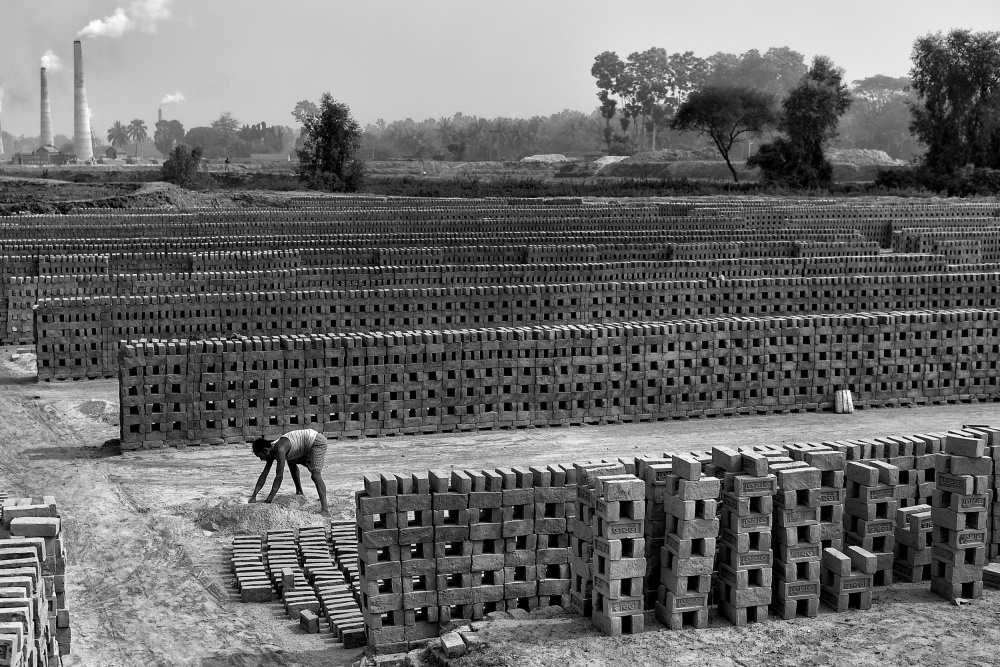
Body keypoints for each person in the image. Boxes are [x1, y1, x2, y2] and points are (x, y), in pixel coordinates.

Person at [250, 428, 329, 513]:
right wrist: (254, 495)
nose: (261, 459)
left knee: (315, 475)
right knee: (290, 460)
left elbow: (279, 476)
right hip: (303, 446)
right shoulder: (271, 451)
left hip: (316, 441)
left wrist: (269, 499)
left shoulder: (280, 450)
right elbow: (264, 475)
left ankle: (325, 510)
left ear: (265, 450)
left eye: (260, 456)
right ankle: (299, 491)